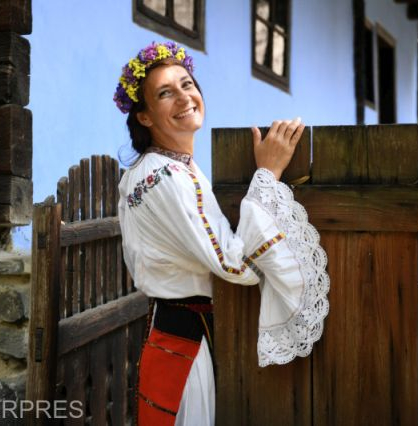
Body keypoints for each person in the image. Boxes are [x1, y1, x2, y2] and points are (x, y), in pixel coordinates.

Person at [114, 41, 330, 426]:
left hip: (173, 336)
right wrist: (268, 175)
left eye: (187, 84)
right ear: (145, 117)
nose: (184, 96)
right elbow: (236, 265)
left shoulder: (160, 170)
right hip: (184, 345)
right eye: (165, 93)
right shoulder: (164, 177)